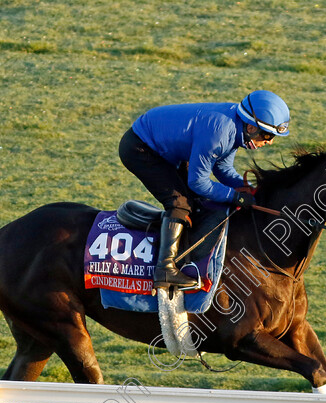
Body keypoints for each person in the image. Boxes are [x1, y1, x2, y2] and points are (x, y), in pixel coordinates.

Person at [119, 90, 290, 290]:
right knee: (180, 202)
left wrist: (249, 191)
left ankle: (187, 252)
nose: (269, 142)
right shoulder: (220, 133)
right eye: (268, 135)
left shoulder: (235, 127)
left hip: (167, 148)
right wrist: (234, 196)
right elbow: (198, 182)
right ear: (251, 127)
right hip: (140, 148)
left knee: (199, 199)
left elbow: (223, 168)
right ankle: (165, 269)